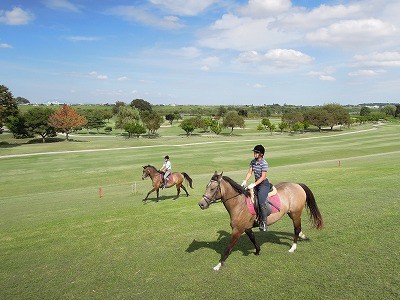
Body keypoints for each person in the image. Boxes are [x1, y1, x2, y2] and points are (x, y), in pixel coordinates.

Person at [241, 144, 271, 231]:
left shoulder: (264, 163)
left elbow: (262, 177)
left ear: (261, 154)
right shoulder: (253, 162)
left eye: (256, 152)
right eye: (254, 152)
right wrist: (245, 181)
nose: (254, 153)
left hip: (264, 184)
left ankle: (264, 223)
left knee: (261, 201)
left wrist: (254, 184)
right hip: (256, 184)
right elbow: (250, 172)